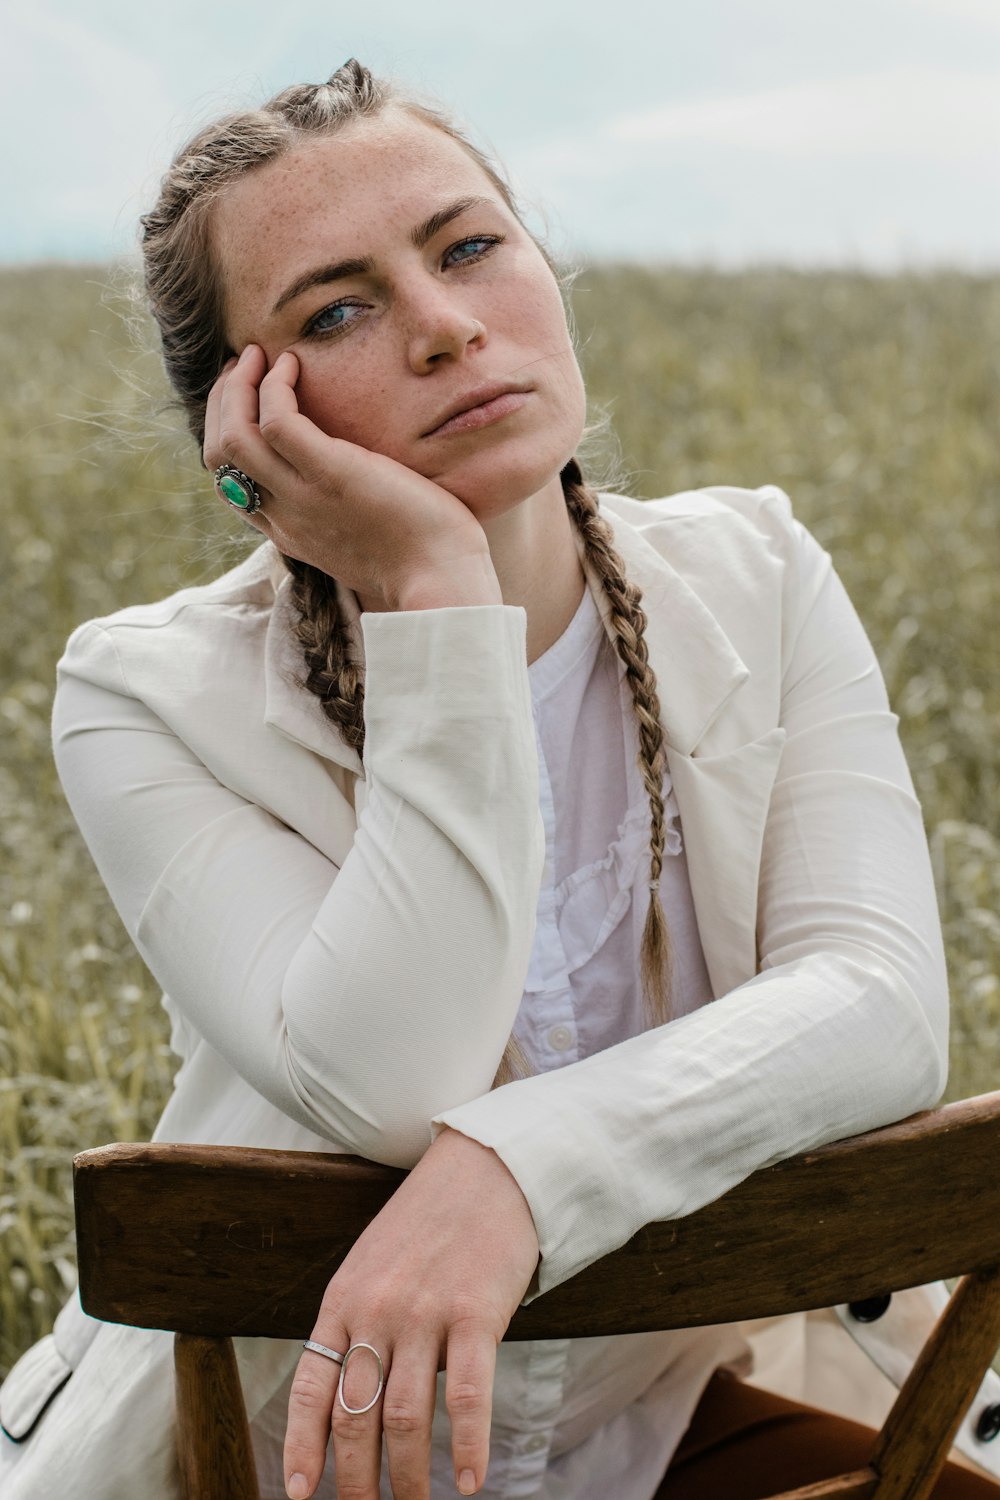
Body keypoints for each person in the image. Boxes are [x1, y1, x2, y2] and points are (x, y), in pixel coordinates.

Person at [1, 58, 997, 1500]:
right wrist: (432, 586)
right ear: (247, 421)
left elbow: (883, 1007)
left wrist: (520, 1172)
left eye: (471, 247)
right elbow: (394, 1084)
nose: (446, 326)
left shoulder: (757, 574)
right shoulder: (143, 691)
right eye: (336, 310)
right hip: (297, 1461)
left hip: (643, 1429)